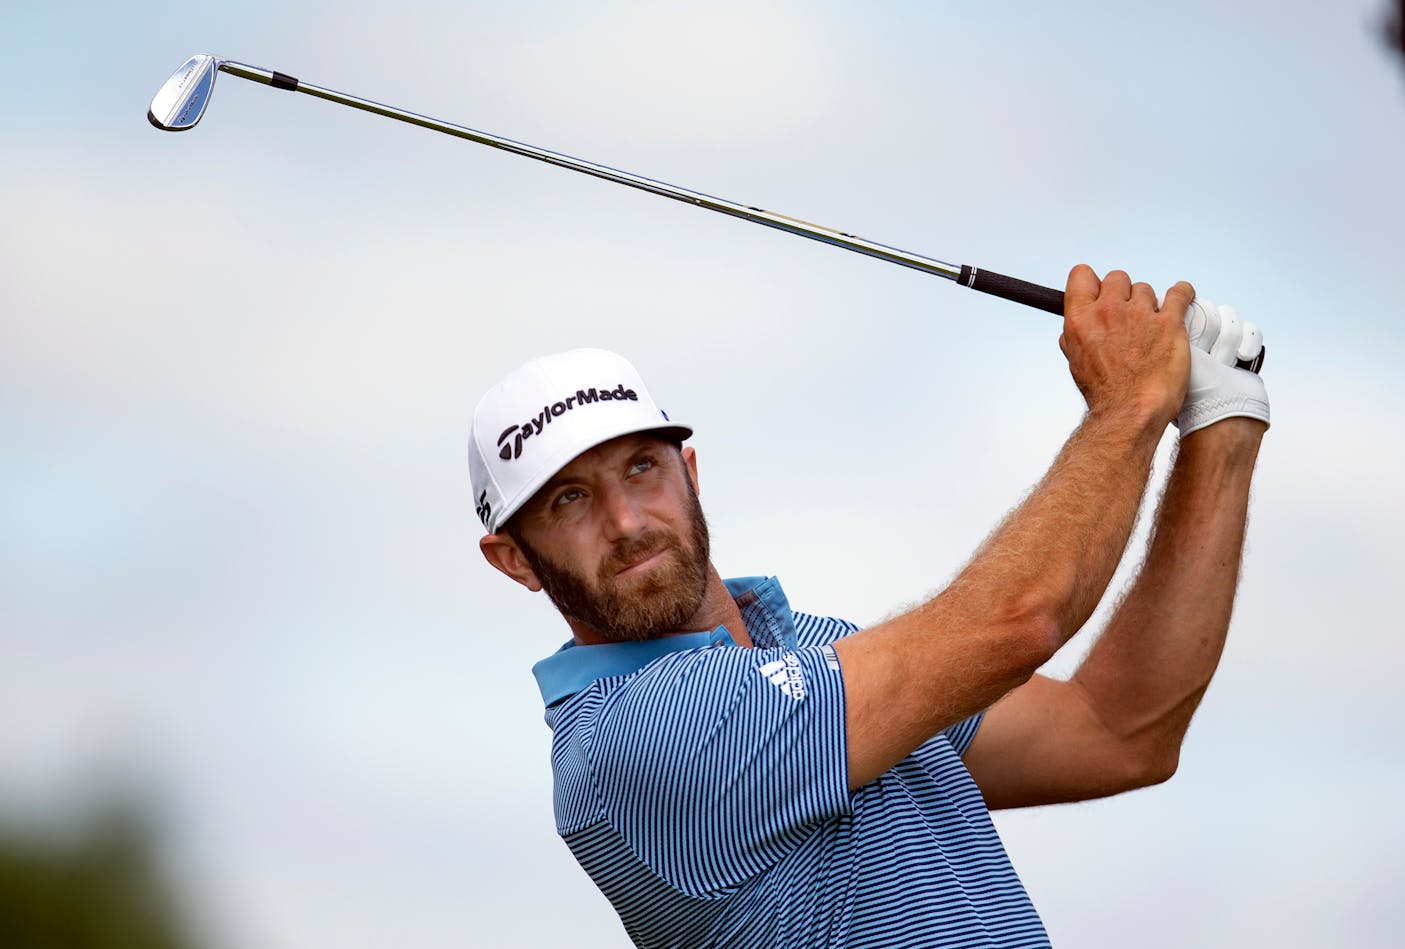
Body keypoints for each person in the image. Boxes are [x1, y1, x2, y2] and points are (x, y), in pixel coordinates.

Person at [469, 265, 1270, 948]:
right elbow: (1018, 620)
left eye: (641, 468)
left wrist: (1219, 427)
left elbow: (1117, 730)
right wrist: (1128, 407)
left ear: (690, 471)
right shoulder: (632, 740)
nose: (627, 522)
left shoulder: (810, 651)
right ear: (514, 560)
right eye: (570, 498)